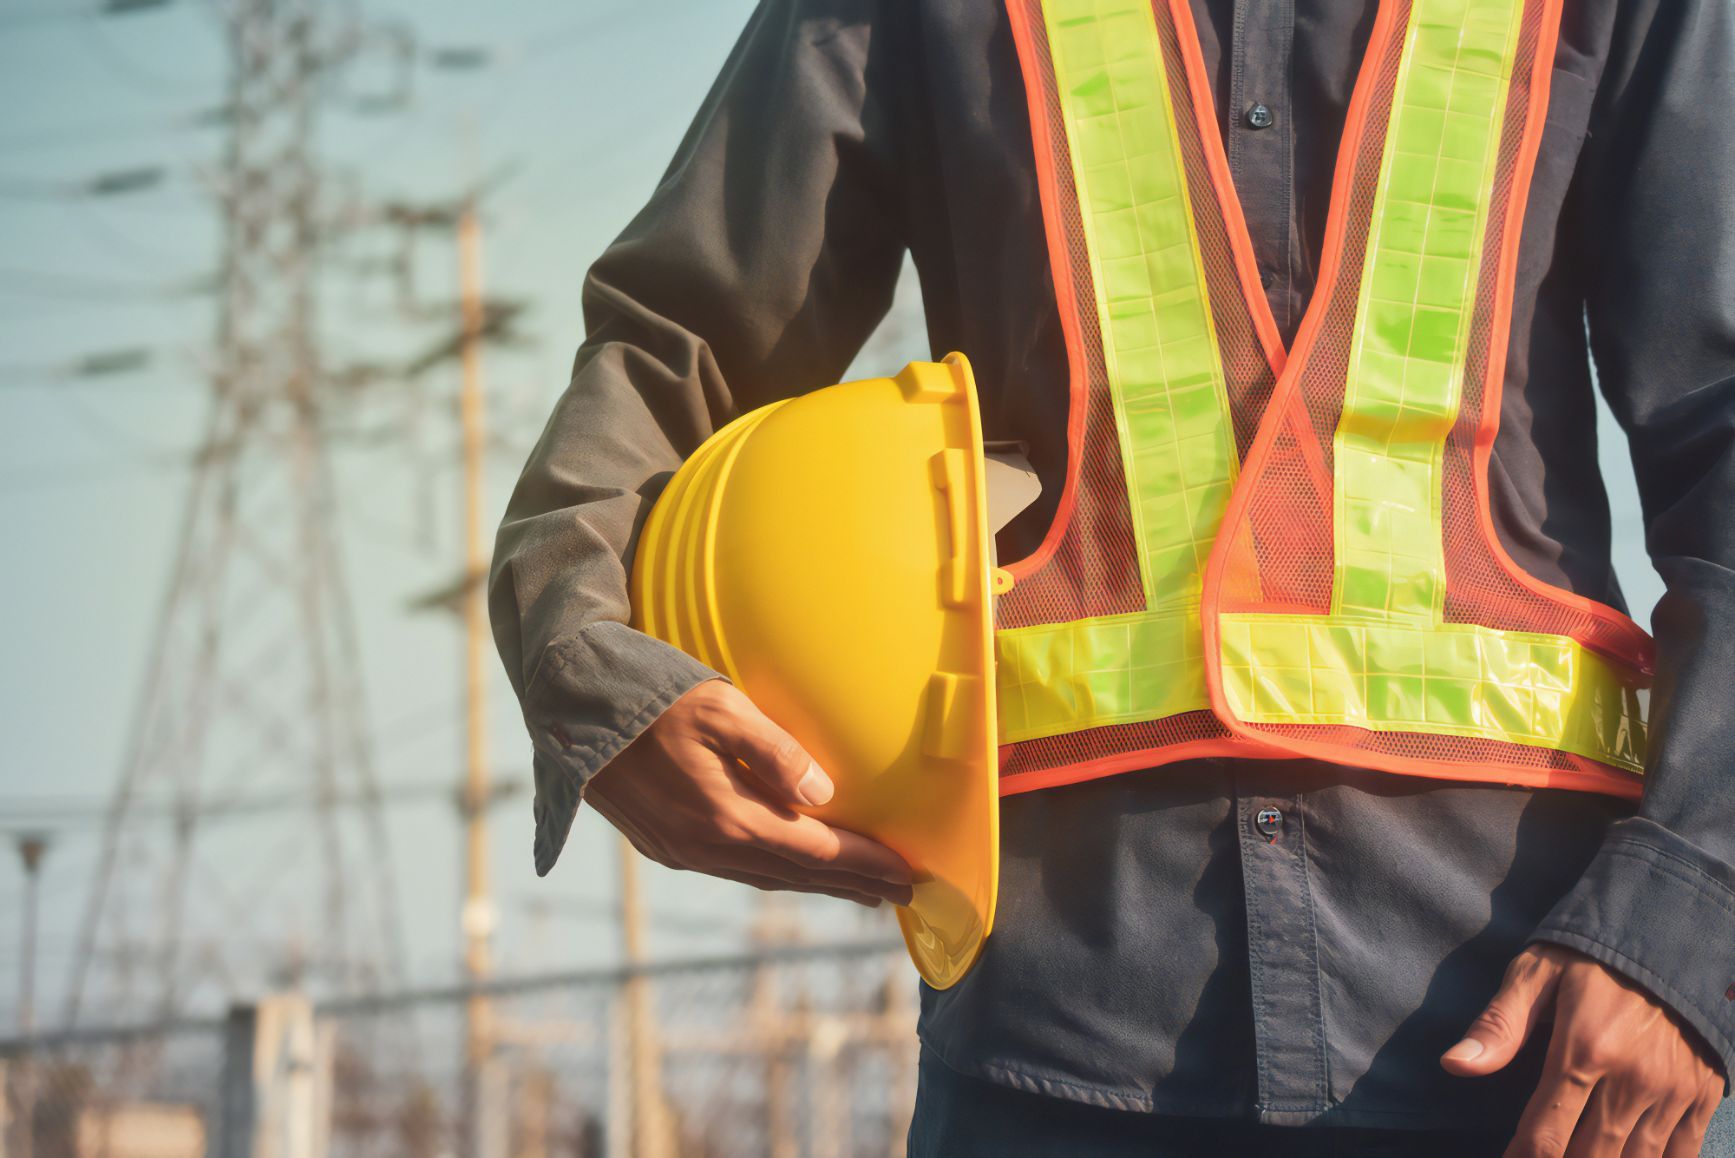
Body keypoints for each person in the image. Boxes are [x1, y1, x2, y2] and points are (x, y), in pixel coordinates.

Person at [489, 1, 1735, 1153]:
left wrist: (1688, 912)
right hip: (1052, 1039)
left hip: (1532, 1047)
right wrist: (587, 664)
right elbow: (679, 349)